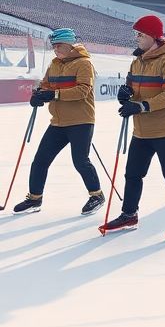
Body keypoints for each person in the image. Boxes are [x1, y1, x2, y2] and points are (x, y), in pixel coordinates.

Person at [99, 15, 165, 239]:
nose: (136, 38)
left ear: (153, 36)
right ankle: (129, 214)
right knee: (133, 174)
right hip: (142, 130)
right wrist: (125, 95)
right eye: (136, 34)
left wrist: (141, 106)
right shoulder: (137, 61)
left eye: (141, 34)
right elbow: (131, 89)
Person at [12, 28, 104, 216]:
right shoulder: (54, 64)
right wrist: (38, 94)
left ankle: (97, 195)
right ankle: (35, 198)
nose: (56, 49)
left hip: (81, 120)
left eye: (59, 45)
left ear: (70, 44)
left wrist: (54, 94)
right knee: (40, 160)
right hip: (58, 122)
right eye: (54, 46)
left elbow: (83, 91)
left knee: (80, 161)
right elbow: (45, 84)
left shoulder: (84, 63)